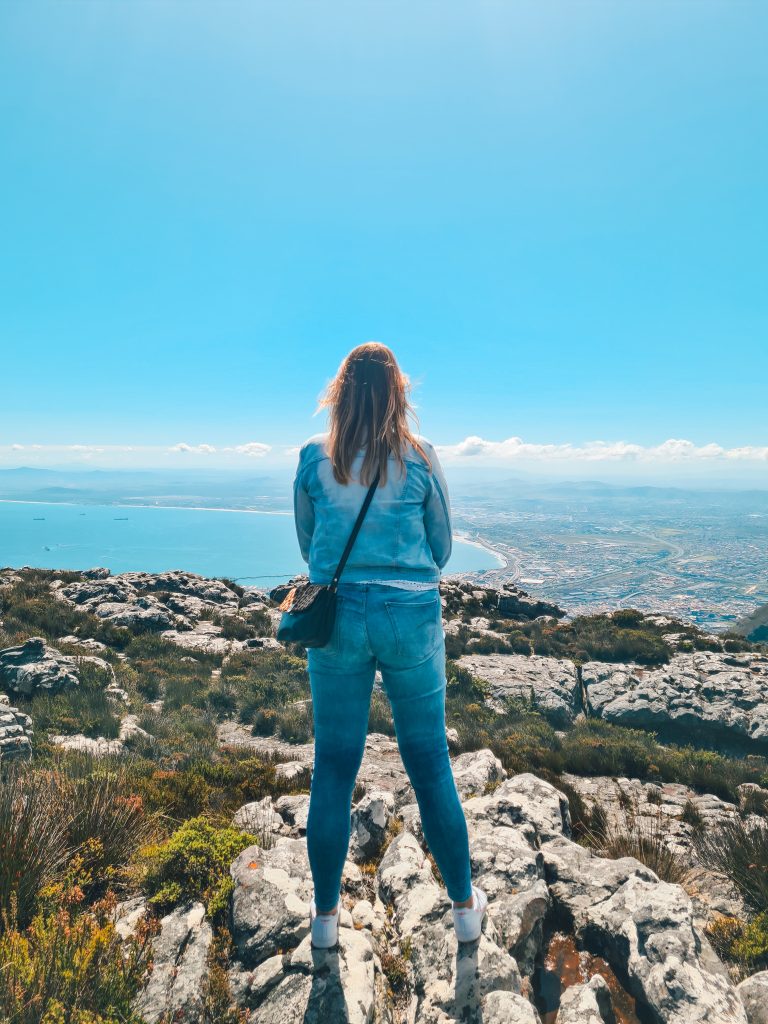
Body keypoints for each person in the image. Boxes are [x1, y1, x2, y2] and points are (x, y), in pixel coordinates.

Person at [291, 341, 488, 949]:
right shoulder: (420, 457)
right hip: (410, 614)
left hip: (339, 619)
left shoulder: (313, 458)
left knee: (333, 768)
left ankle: (325, 922)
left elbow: (309, 544)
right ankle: (463, 910)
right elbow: (444, 545)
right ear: (400, 392)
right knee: (429, 764)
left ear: (340, 393)